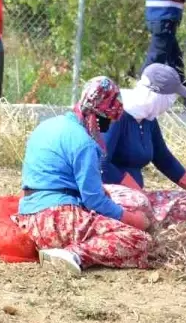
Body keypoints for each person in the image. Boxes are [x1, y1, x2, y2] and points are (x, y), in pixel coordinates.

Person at [15, 77, 152, 276]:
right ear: (99, 115)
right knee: (139, 240)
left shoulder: (47, 126)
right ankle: (74, 255)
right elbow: (94, 200)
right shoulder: (84, 143)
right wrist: (133, 219)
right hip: (56, 220)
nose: (107, 127)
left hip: (28, 218)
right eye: (108, 119)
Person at [101, 63, 186, 228]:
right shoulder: (116, 116)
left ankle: (145, 220)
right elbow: (101, 164)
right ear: (157, 95)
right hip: (109, 193)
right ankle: (133, 222)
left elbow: (163, 158)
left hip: (136, 196)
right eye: (171, 97)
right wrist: (137, 192)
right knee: (142, 206)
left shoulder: (147, 119)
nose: (171, 102)